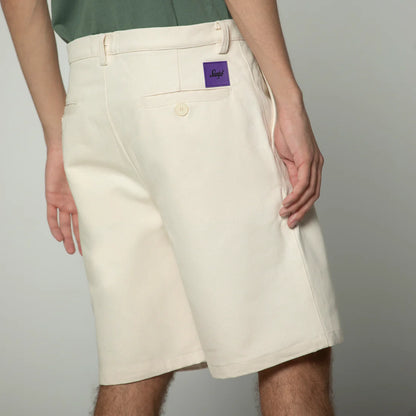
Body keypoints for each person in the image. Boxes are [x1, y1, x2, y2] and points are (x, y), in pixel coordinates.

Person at [1, 0, 344, 414]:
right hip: (196, 69)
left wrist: (58, 138)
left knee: (137, 361)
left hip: (93, 94)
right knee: (289, 341)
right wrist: (288, 98)